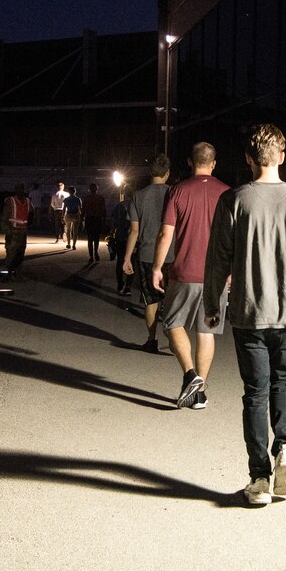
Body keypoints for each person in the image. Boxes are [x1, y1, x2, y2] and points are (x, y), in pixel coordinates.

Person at [202, 123, 286, 507]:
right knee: (282, 383)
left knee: (255, 392)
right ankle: (285, 449)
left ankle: (258, 479)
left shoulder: (235, 200)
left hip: (250, 311)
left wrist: (212, 302)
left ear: (249, 159)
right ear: (282, 156)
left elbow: (218, 258)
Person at [152, 143, 229, 408]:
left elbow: (166, 234)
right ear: (214, 163)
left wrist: (156, 267)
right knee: (205, 332)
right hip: (217, 277)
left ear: (189, 161)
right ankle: (200, 393)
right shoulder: (228, 194)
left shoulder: (178, 191)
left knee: (172, 324)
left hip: (184, 272)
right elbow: (236, 239)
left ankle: (190, 374)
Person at [124, 154, 173, 352]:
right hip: (172, 254)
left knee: (150, 300)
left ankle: (151, 340)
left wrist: (127, 257)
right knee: (171, 300)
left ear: (149, 172)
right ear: (167, 173)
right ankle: (174, 339)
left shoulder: (138, 195)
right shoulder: (175, 193)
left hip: (146, 255)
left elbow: (134, 231)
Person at [109, 181, 134, 292]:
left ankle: (120, 284)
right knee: (132, 262)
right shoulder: (136, 205)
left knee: (120, 261)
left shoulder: (119, 205)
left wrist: (111, 235)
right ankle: (128, 287)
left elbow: (113, 222)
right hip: (133, 239)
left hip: (120, 237)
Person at [1, 184, 31, 275]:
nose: (21, 191)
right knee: (11, 252)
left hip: (23, 230)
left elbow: (31, 213)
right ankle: (9, 272)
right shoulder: (10, 200)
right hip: (12, 230)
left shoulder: (28, 201)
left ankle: (17, 271)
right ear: (16, 190)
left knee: (20, 252)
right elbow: (5, 215)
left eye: (22, 189)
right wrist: (6, 229)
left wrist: (29, 224)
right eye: (19, 189)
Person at [82, 183, 108, 263]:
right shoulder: (101, 198)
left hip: (89, 219)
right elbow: (104, 210)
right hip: (98, 219)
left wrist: (82, 220)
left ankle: (91, 256)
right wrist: (104, 220)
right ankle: (96, 252)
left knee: (90, 238)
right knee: (96, 238)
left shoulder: (86, 198)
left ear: (89, 189)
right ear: (97, 189)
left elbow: (83, 210)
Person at [63, 185, 84, 249]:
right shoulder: (78, 199)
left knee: (68, 230)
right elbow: (80, 209)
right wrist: (82, 217)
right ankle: (74, 245)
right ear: (75, 191)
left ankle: (68, 243)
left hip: (68, 214)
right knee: (75, 231)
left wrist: (62, 216)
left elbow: (64, 208)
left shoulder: (66, 199)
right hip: (76, 214)